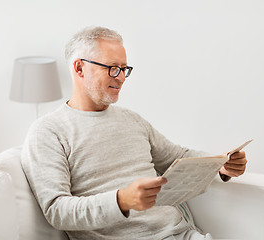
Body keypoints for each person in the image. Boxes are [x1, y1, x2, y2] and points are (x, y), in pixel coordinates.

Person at [21, 26, 247, 240]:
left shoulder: (131, 120)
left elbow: (178, 157)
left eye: (123, 69)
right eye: (112, 68)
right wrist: (121, 201)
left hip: (182, 234)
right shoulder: (48, 131)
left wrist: (221, 166)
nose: (120, 77)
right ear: (80, 68)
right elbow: (57, 210)